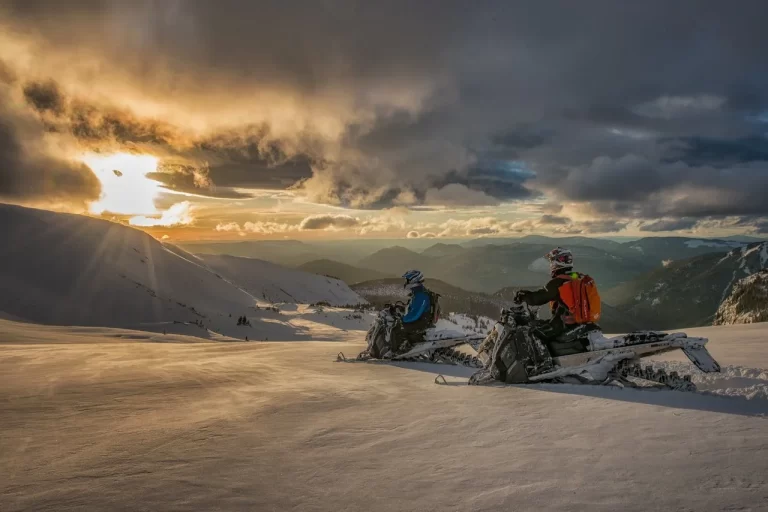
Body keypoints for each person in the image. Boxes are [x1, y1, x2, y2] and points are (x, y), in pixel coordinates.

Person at [388, 269, 436, 356]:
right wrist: (400, 308)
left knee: (396, 329)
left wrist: (402, 319)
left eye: (407, 280)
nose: (406, 282)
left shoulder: (421, 295)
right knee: (398, 324)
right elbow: (413, 308)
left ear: (414, 280)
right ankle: (405, 346)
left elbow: (414, 315)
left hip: (421, 323)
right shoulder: (418, 292)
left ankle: (395, 352)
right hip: (421, 320)